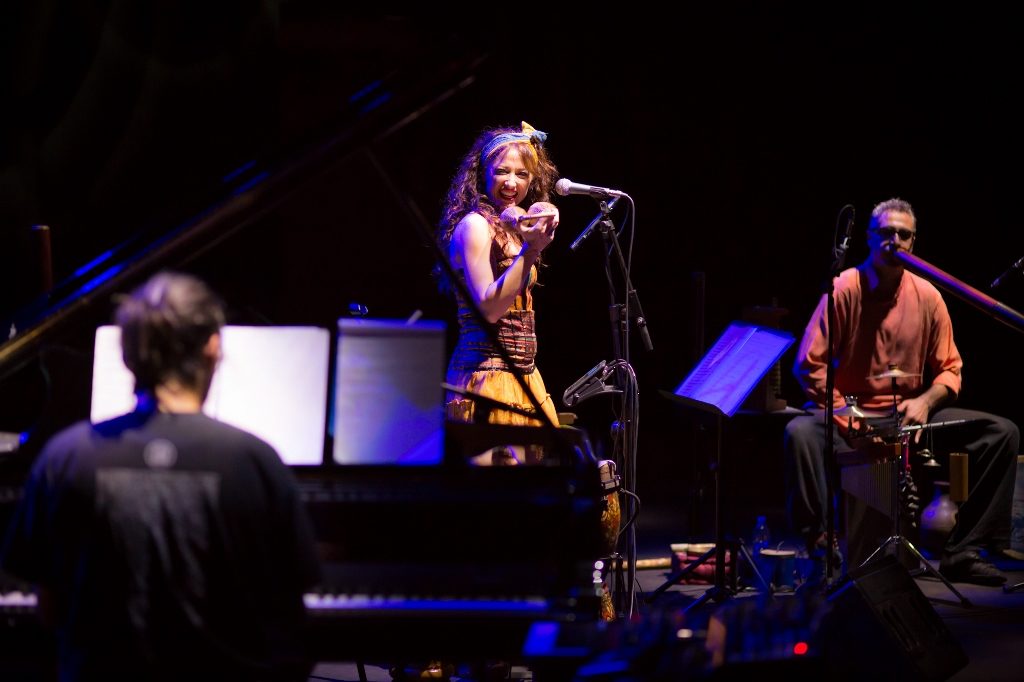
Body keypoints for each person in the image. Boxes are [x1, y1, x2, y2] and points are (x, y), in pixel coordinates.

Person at [0, 271, 322, 680]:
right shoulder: (255, 461)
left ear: (128, 354)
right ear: (213, 347)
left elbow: (50, 610)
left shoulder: (64, 458)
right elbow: (291, 618)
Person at [784, 198, 1018, 585]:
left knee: (1001, 433)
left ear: (913, 242)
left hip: (908, 418)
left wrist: (925, 402)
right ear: (870, 239)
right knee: (800, 433)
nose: (895, 241)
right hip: (849, 415)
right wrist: (848, 415)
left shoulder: (928, 295)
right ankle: (823, 548)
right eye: (886, 233)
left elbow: (950, 370)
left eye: (903, 234)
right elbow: (808, 365)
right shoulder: (843, 289)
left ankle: (963, 551)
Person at [437, 121, 562, 465]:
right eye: (502, 172)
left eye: (522, 174)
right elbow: (489, 309)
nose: (511, 183)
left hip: (523, 373)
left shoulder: (515, 230)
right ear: (483, 174)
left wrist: (532, 239)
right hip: (484, 375)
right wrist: (531, 252)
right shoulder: (474, 225)